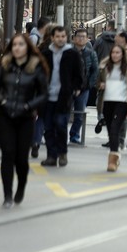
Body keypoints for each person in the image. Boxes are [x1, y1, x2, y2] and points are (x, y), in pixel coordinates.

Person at [0, 34, 49, 208]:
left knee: (21, 158)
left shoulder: (36, 67)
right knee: (7, 153)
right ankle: (7, 195)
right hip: (4, 115)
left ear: (27, 47)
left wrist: (28, 105)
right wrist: (3, 101)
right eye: (14, 44)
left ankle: (21, 186)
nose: (16, 48)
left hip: (25, 116)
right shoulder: (4, 64)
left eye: (20, 44)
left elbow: (43, 94)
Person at [40, 26, 84, 168]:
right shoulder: (46, 53)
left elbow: (79, 73)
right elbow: (39, 73)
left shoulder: (72, 53)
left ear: (66, 37)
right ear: (52, 38)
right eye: (57, 36)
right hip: (47, 96)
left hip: (63, 95)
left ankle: (62, 153)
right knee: (48, 127)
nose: (60, 39)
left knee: (60, 124)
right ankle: (51, 156)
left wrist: (77, 88)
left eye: (63, 36)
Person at [95, 44, 127, 171]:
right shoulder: (105, 67)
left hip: (122, 101)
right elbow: (97, 82)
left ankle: (113, 157)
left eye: (118, 53)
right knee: (111, 129)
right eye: (113, 53)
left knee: (115, 128)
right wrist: (100, 84)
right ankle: (116, 154)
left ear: (122, 54)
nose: (115, 55)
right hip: (107, 101)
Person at [69, 29, 98, 144]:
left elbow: (94, 71)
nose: (81, 38)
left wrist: (89, 85)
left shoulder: (91, 53)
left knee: (80, 114)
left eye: (83, 37)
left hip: (84, 88)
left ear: (87, 39)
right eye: (79, 36)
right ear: (74, 38)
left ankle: (74, 135)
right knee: (65, 112)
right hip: (69, 88)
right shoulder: (69, 52)